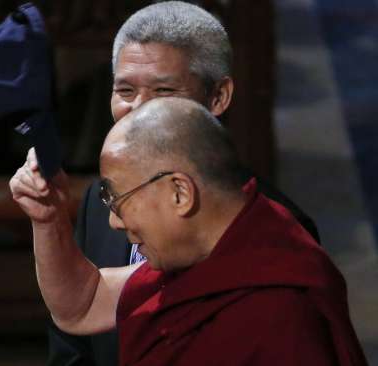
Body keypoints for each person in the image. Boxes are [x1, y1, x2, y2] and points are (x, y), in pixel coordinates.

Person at [44, 2, 320, 365]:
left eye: (163, 91)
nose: (139, 110)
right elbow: (78, 320)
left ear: (218, 97)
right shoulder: (102, 200)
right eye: (125, 92)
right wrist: (45, 220)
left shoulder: (275, 236)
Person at [9, 97, 367, 365]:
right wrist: (48, 220)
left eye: (118, 198)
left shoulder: (279, 310)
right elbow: (81, 305)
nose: (114, 222)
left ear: (180, 193)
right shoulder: (203, 254)